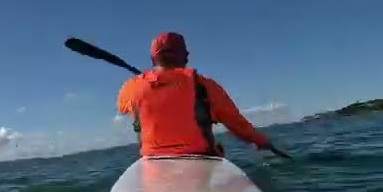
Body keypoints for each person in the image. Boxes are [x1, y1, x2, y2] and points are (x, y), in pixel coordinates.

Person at [117, 31, 282, 158]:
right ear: (185, 56)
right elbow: (237, 124)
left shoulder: (130, 87)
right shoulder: (205, 86)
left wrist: (149, 84)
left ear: (153, 59)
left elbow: (122, 107)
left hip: (153, 166)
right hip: (201, 161)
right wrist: (261, 141)